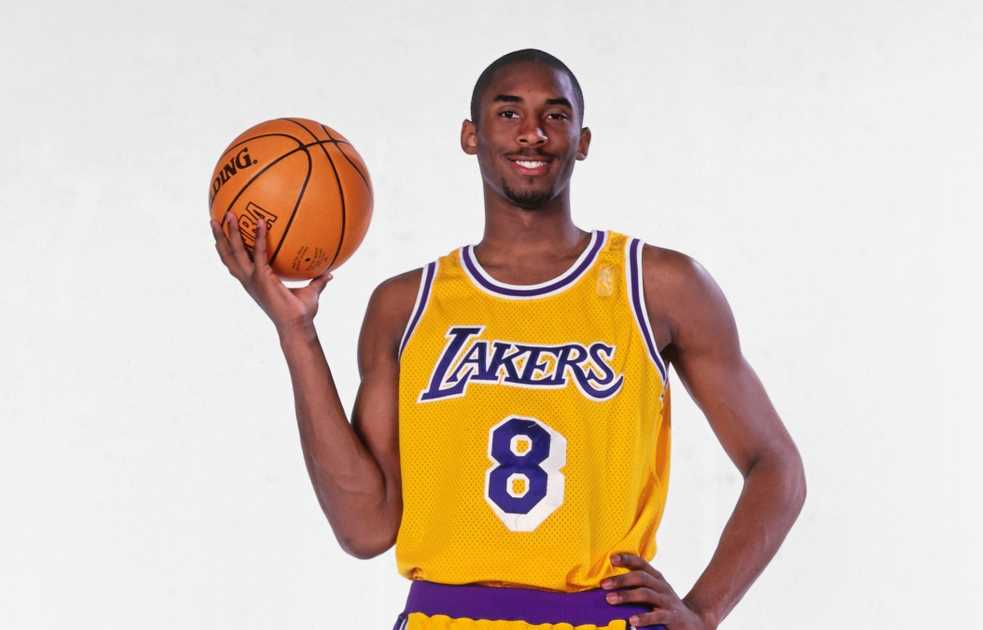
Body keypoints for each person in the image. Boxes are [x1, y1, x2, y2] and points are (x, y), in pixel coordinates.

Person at [210, 48, 806, 630]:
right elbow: (364, 528)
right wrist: (297, 334)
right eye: (508, 112)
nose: (532, 133)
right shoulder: (405, 305)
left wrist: (704, 611)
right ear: (470, 136)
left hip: (598, 618)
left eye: (555, 114)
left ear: (583, 140)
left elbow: (776, 466)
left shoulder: (658, 286)